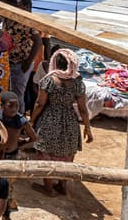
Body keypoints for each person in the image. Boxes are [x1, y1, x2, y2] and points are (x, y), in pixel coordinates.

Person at [31, 49, 93, 196]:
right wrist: (87, 128)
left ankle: (48, 188)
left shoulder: (49, 80)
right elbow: (83, 109)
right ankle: (62, 186)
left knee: (46, 154)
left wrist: (32, 121)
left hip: (49, 119)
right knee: (66, 154)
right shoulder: (78, 82)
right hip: (70, 121)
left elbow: (40, 103)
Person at [0, 90, 38, 220]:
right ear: (2, 106)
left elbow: (34, 138)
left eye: (16, 106)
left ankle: (6, 216)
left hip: (12, 158)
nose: (14, 109)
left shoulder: (21, 121)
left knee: (7, 189)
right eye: (10, 106)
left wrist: (19, 144)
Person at [3, 0, 42, 113]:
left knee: (17, 94)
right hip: (7, 61)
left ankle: (19, 120)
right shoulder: (8, 19)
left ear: (25, 7)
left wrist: (28, 61)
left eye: (18, 5)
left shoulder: (27, 22)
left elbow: (38, 41)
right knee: (8, 92)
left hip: (21, 62)